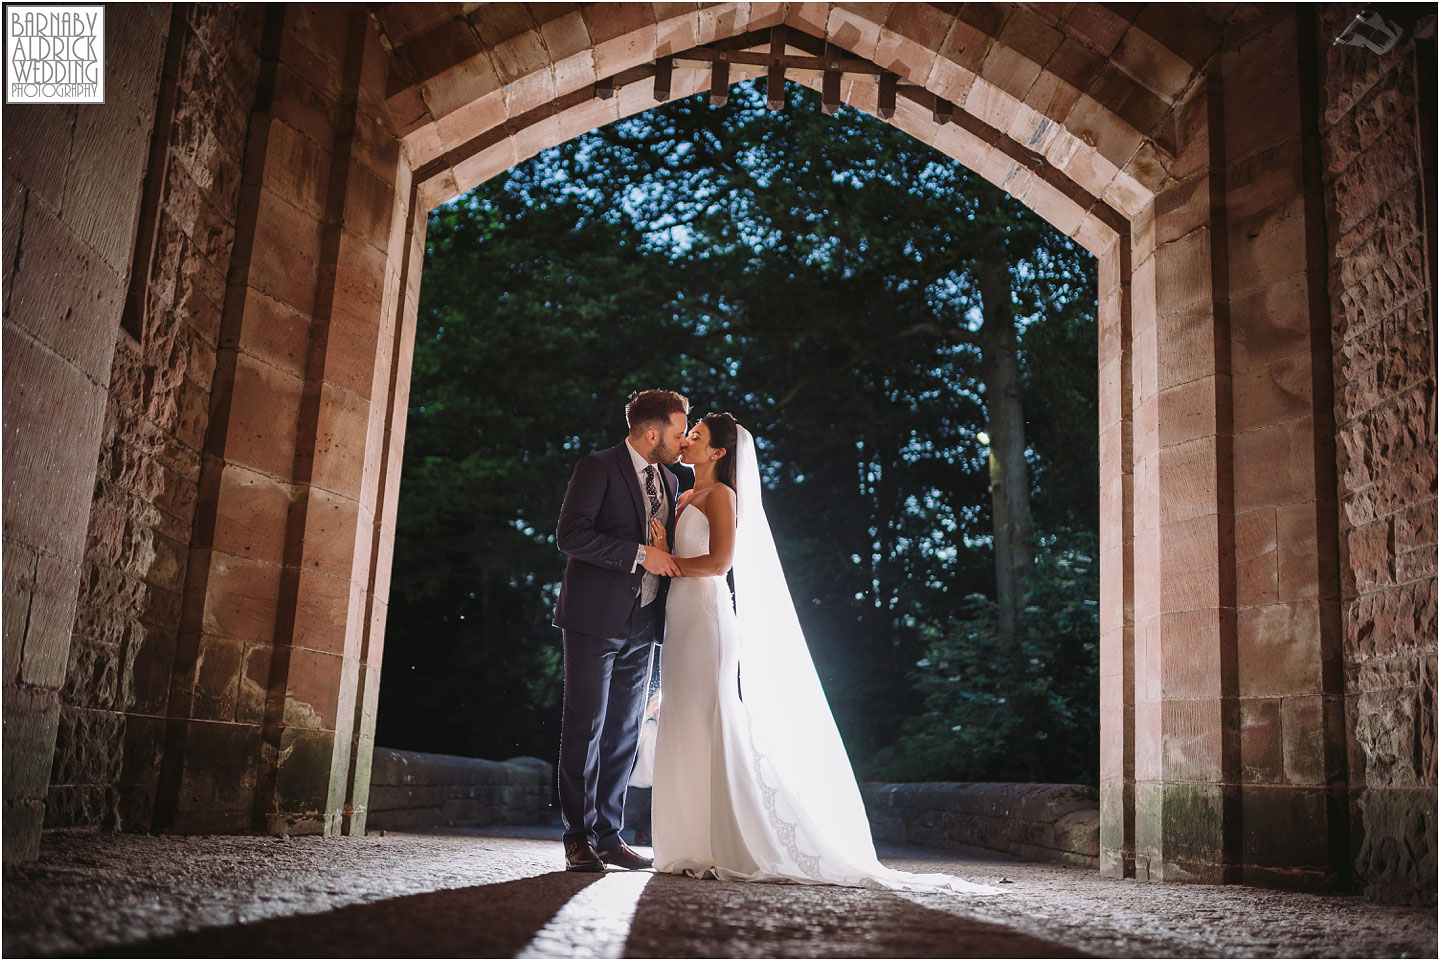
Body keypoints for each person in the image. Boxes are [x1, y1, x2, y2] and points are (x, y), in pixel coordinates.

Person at [648, 412, 1001, 895]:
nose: (686, 441)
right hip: (678, 619)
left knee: (711, 716)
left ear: (718, 453)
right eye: (688, 434)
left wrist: (668, 562)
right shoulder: (682, 495)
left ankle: (732, 840)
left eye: (697, 436)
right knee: (683, 719)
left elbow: (719, 563)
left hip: (707, 619)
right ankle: (687, 840)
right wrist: (665, 548)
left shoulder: (721, 496)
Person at [552, 389, 688, 872]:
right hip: (593, 620)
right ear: (652, 432)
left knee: (625, 733)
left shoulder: (670, 480)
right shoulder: (597, 466)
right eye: (677, 431)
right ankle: (578, 838)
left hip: (644, 625)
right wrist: (638, 553)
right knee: (585, 727)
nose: (683, 440)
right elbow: (571, 534)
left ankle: (610, 836)